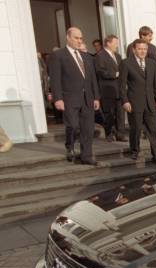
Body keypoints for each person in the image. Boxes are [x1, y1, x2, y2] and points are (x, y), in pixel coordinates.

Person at [48, 27, 100, 165]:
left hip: (88, 98)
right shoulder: (58, 55)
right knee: (72, 125)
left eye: (81, 38)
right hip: (69, 98)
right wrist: (57, 98)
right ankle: (69, 146)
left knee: (88, 128)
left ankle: (86, 156)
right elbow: (55, 79)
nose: (79, 41)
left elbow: (92, 78)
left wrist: (96, 97)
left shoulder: (87, 57)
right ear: (68, 38)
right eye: (76, 38)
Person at [119, 39, 156, 167]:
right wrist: (125, 101)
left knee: (153, 131)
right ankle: (134, 151)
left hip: (151, 103)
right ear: (134, 49)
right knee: (135, 128)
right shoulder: (126, 63)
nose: (142, 51)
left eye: (144, 49)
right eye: (140, 49)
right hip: (134, 103)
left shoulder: (152, 63)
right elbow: (122, 85)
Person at [127, 26, 156, 139]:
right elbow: (131, 65)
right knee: (140, 111)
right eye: (149, 36)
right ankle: (143, 131)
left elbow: (153, 64)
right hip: (138, 85)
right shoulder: (132, 47)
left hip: (151, 83)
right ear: (142, 35)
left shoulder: (153, 47)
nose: (152, 38)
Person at [95, 34, 126, 142]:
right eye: (115, 43)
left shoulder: (118, 56)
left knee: (120, 113)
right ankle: (109, 133)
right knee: (109, 113)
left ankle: (120, 134)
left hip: (119, 89)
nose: (117, 45)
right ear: (108, 43)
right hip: (107, 89)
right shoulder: (100, 55)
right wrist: (115, 74)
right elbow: (100, 71)